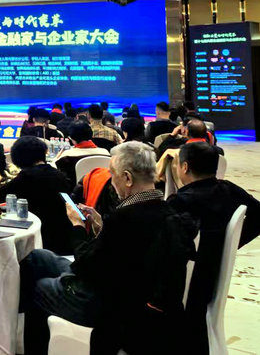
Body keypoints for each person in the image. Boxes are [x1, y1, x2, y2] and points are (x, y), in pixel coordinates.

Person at [19, 142, 195, 355]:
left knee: (37, 287)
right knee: (38, 258)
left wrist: (77, 226)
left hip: (108, 302)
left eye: (113, 175)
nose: (111, 182)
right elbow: (119, 252)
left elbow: (84, 266)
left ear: (127, 178)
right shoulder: (167, 212)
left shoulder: (124, 219)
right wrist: (101, 227)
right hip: (124, 290)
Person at [166, 142, 259, 352]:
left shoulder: (181, 202)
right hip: (211, 275)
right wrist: (229, 244)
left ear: (184, 167)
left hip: (187, 288)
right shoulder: (229, 190)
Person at [0, 136, 73, 254]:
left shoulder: (27, 176)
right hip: (65, 237)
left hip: (41, 239)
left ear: (19, 158)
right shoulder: (58, 174)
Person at [53, 121, 110, 185]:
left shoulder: (67, 155)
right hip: (100, 188)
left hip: (75, 189)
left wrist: (57, 156)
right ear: (91, 134)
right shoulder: (105, 153)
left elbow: (55, 169)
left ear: (72, 138)